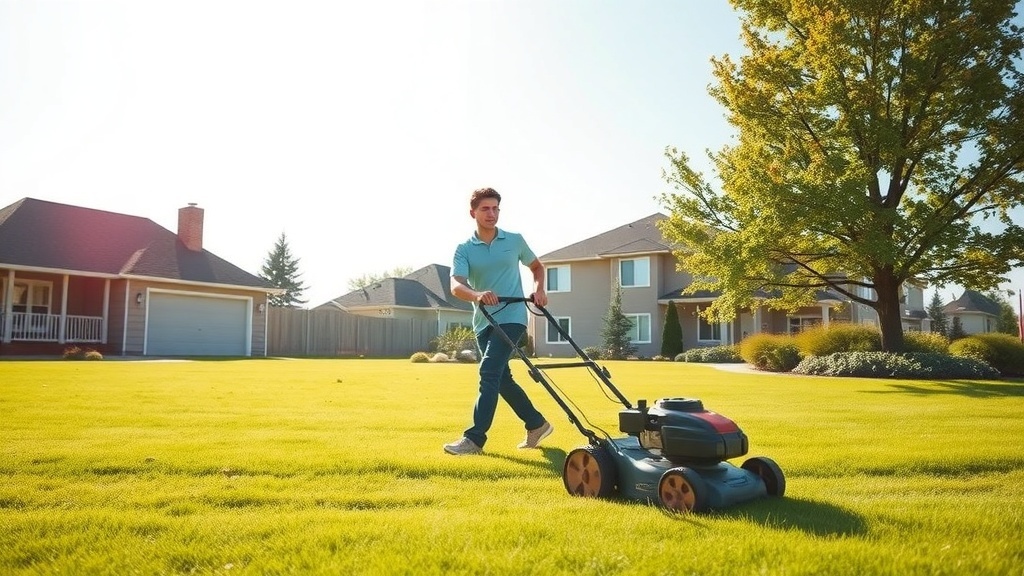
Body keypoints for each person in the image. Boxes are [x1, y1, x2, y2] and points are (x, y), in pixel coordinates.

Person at [443, 187, 553, 456]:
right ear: (473, 213)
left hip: (514, 317)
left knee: (489, 372)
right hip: (483, 321)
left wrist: (539, 289)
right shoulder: (464, 249)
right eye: (485, 209)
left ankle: (474, 439)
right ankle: (536, 424)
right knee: (502, 379)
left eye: (495, 208)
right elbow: (456, 285)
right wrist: (477, 294)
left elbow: (537, 267)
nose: (491, 213)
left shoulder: (514, 241)